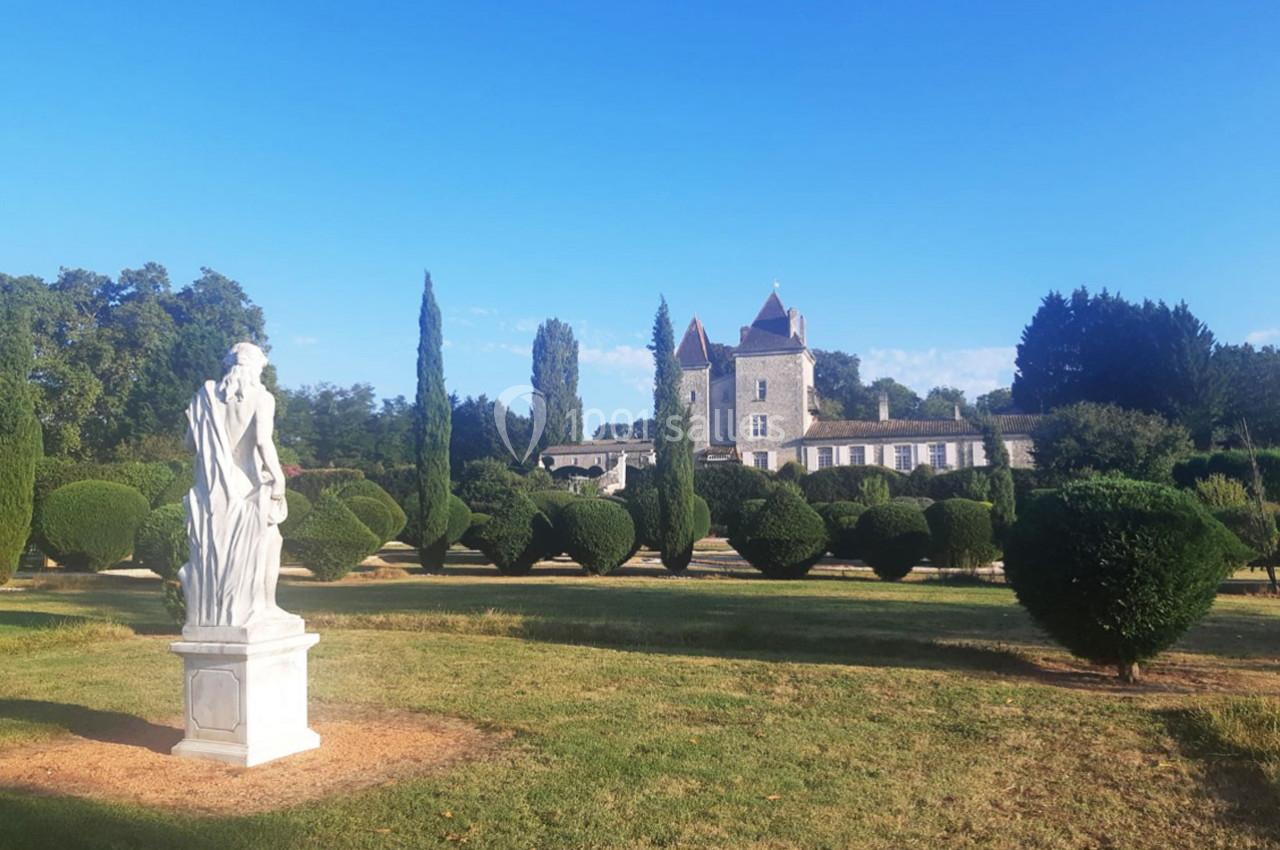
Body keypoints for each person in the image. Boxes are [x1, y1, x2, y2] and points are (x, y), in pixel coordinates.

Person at [179, 342, 295, 629]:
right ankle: (265, 605)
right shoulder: (261, 397)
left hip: (211, 491)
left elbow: (188, 444)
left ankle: (216, 612)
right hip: (246, 486)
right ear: (254, 367)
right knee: (269, 542)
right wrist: (278, 477)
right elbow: (262, 441)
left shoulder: (204, 398)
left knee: (214, 553)